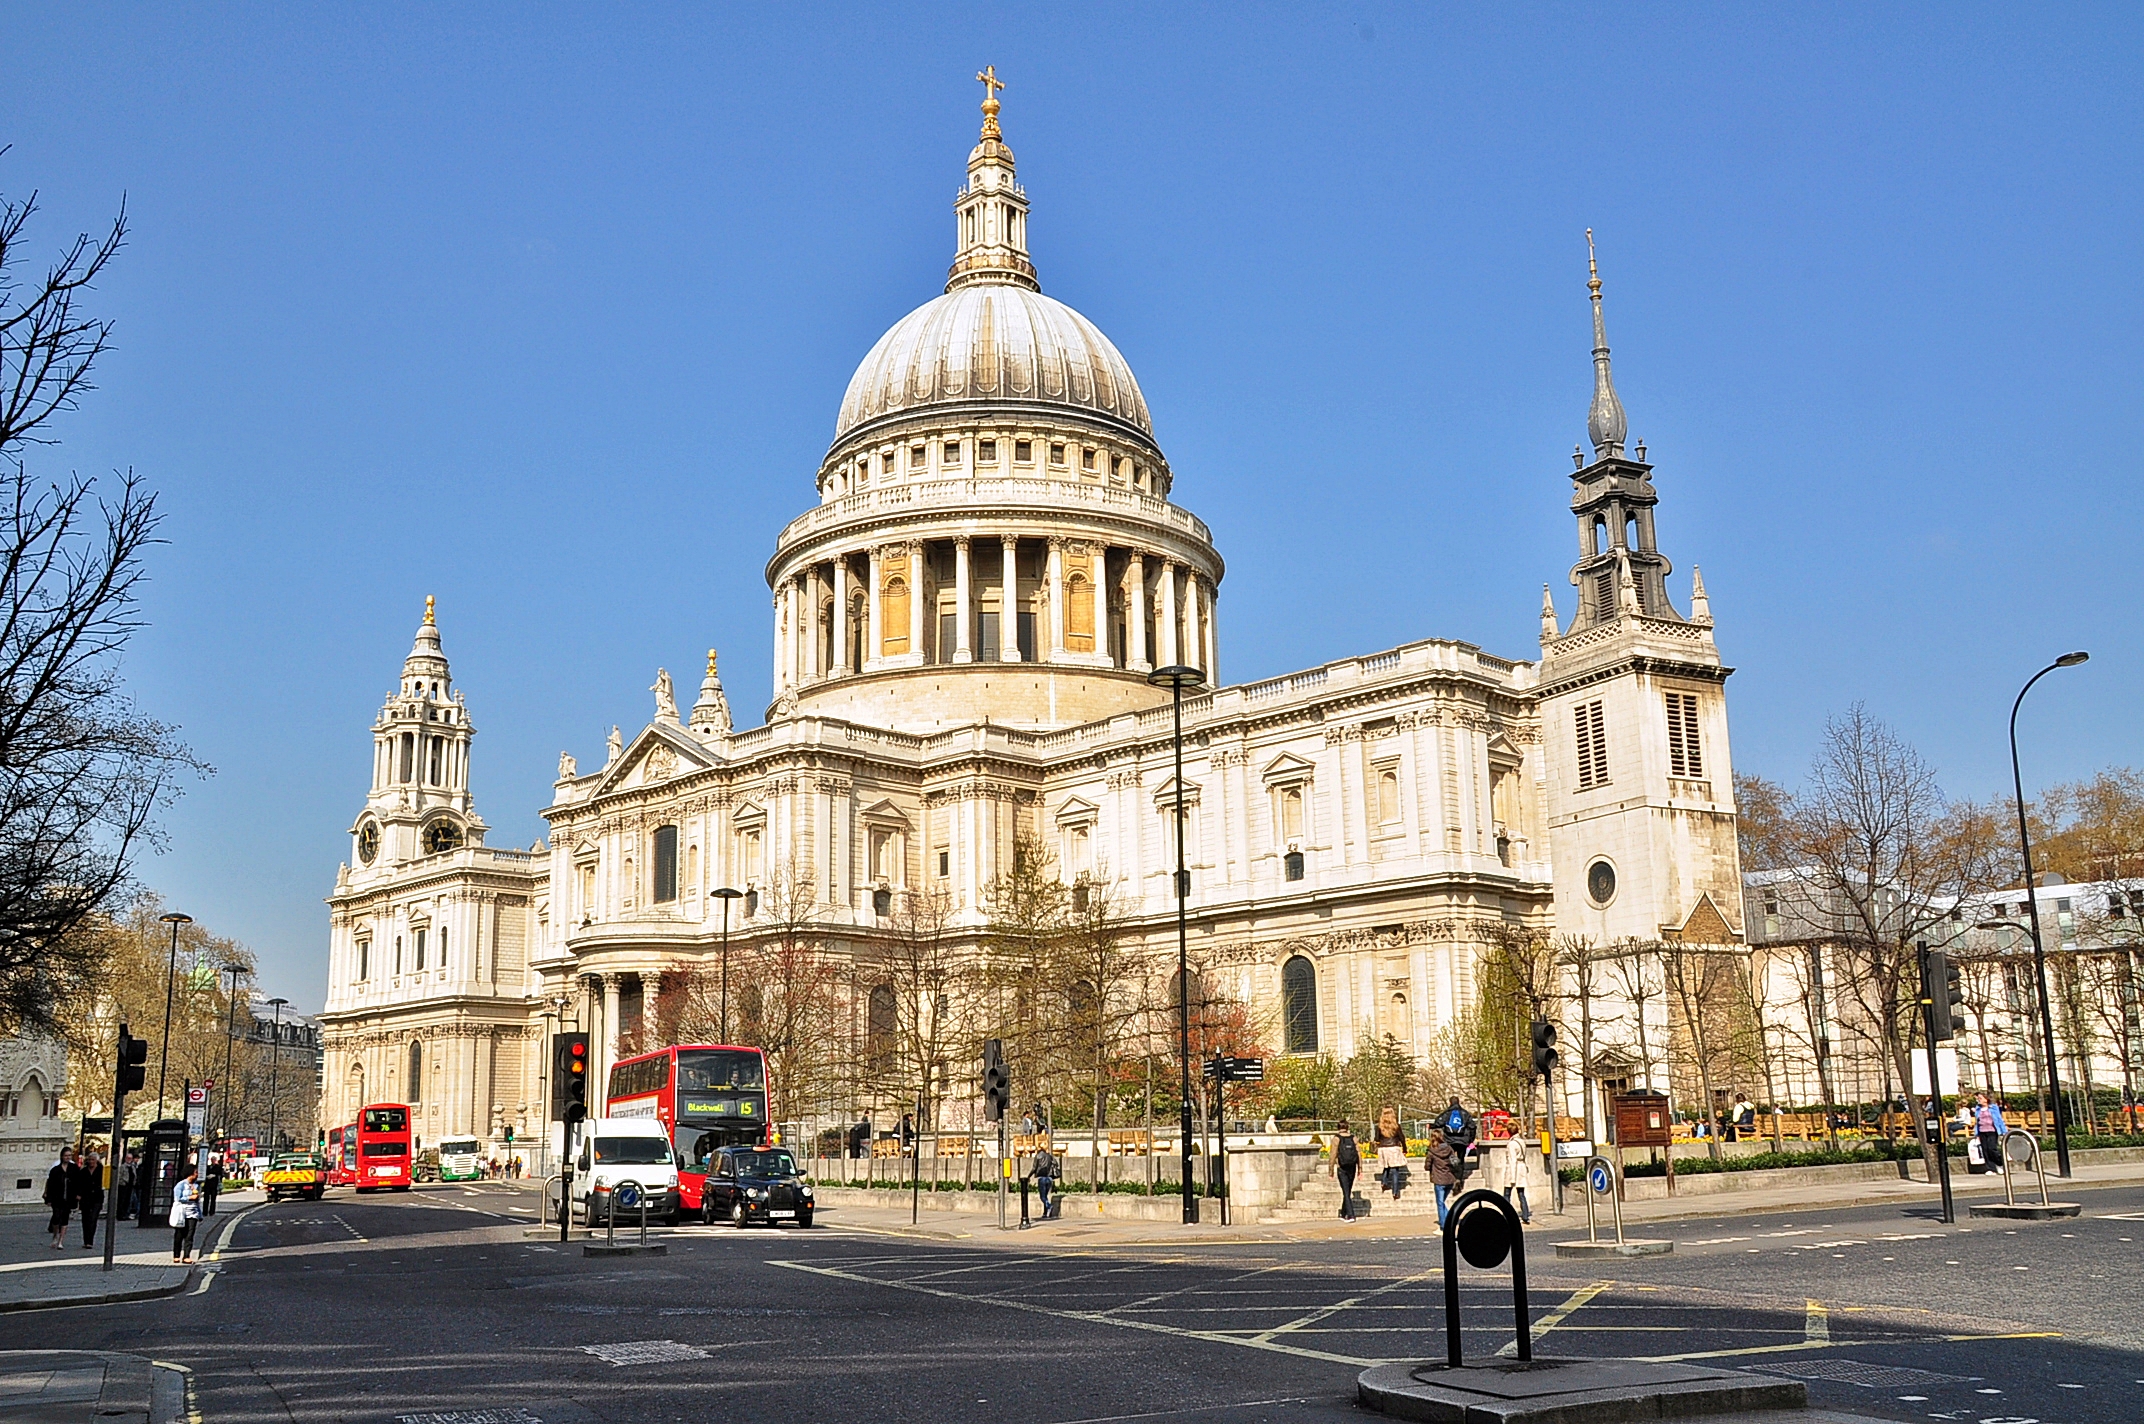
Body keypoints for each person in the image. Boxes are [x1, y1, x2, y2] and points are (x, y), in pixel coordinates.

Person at [1371, 1107, 1409, 1200]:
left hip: (1383, 1148)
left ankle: (1384, 1182)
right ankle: (1395, 1192)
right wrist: (1404, 1149)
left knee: (1386, 1166)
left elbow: (1377, 1139)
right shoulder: (1396, 1126)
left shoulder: (1379, 1126)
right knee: (1395, 1170)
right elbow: (1402, 1138)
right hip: (1394, 1147)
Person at [1498, 1133, 1535, 1225]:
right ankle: (1525, 1215)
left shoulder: (1512, 1144)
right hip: (1521, 1168)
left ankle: (1507, 1214)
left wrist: (1512, 1178)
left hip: (1513, 1170)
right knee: (1521, 1194)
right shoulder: (1522, 1142)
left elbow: (1512, 1160)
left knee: (1507, 1194)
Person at [45, 1147, 77, 1249]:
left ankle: (61, 1240)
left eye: (69, 1155)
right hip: (57, 1197)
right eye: (66, 1155)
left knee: (65, 1219)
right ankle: (55, 1235)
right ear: (62, 1156)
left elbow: (78, 1182)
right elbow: (50, 1184)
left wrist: (77, 1196)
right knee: (56, 1217)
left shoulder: (74, 1168)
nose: (67, 1157)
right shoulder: (55, 1170)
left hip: (68, 1198)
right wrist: (48, 1198)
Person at [76, 1147, 107, 1248]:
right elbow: (79, 1183)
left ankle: (90, 1241)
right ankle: (86, 1240)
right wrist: (78, 1194)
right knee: (85, 1219)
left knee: (93, 1218)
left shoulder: (102, 1170)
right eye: (89, 1160)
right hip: (85, 1198)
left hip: (97, 1198)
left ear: (97, 1160)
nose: (91, 1162)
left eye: (93, 1160)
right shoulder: (83, 1171)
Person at [170, 1165, 202, 1262]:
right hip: (182, 1213)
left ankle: (187, 1256)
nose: (197, 1174)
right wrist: (189, 1198)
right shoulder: (181, 1185)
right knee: (179, 1235)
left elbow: (197, 1202)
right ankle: (176, 1255)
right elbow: (177, 1198)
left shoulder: (197, 1185)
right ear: (190, 1173)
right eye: (196, 1172)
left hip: (193, 1213)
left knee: (189, 1235)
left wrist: (200, 1215)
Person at [1428, 1134, 1460, 1227]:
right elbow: (1455, 1162)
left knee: (1440, 1203)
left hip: (1438, 1179)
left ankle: (1443, 1223)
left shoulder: (1432, 1151)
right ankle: (1451, 1218)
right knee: (1442, 1202)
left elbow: (1427, 1166)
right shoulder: (1449, 1149)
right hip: (1449, 1178)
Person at [1973, 1092, 2008, 1176]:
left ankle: (2000, 1163)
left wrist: (2004, 1131)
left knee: (1991, 1148)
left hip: (1992, 1130)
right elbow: (1977, 1122)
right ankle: (1990, 1168)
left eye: (1980, 1098)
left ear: (1986, 1099)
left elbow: (1999, 1119)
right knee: (1985, 1150)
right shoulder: (1978, 1109)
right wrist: (1976, 1133)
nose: (1979, 1100)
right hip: (1982, 1131)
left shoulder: (1993, 1108)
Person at [1332, 1121, 1361, 1220]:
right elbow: (1359, 1154)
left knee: (1345, 1191)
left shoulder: (1336, 1139)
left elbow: (1333, 1155)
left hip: (1342, 1167)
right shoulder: (1353, 1138)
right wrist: (1360, 1168)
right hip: (1352, 1166)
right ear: (1347, 1127)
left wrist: (1330, 1170)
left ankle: (1351, 1214)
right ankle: (1343, 1213)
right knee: (1347, 1191)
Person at [1031, 1141, 1059, 1220]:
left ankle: (1049, 1206)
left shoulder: (1038, 1156)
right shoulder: (1049, 1156)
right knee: (1046, 1196)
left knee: (1042, 1197)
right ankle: (1045, 1213)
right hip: (1049, 1178)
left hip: (1042, 1178)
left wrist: (1029, 1176)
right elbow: (1056, 1164)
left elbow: (1034, 1168)